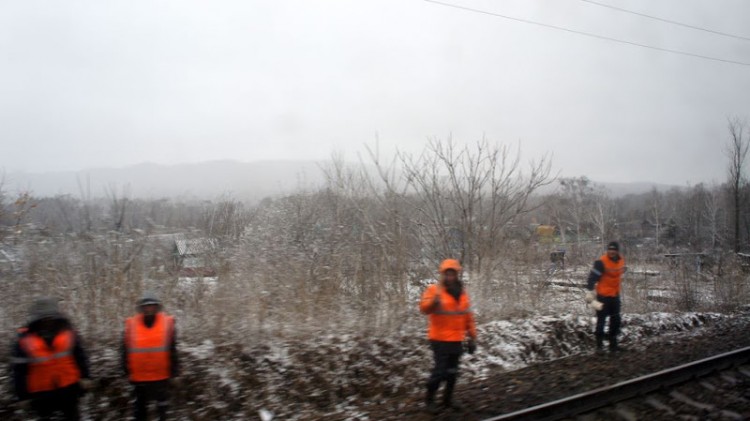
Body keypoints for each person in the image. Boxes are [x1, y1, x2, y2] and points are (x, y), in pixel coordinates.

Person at [10, 297, 93, 421]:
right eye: (44, 318)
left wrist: (85, 377)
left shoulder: (68, 332)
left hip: (69, 388)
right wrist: (22, 396)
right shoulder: (24, 339)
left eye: (49, 317)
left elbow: (80, 356)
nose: (47, 320)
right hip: (41, 394)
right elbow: (19, 370)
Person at [419, 259, 477, 414]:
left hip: (457, 339)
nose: (450, 277)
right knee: (440, 372)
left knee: (452, 372)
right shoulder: (434, 290)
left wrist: (472, 337)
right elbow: (423, 308)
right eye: (447, 274)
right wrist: (433, 302)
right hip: (439, 339)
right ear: (443, 274)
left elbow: (467, 316)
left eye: (453, 274)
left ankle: (447, 399)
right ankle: (429, 400)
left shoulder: (462, 293)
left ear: (456, 275)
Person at [122, 291, 180, 421]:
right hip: (139, 377)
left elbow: (173, 350)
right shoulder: (131, 325)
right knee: (140, 410)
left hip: (161, 376)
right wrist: (126, 371)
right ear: (141, 308)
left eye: (152, 306)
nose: (149, 309)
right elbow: (124, 350)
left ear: (157, 307)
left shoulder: (167, 324)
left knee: (162, 410)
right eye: (146, 306)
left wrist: (175, 373)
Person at [585, 241, 627, 352]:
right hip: (603, 296)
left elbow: (621, 271)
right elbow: (592, 277)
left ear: (617, 251)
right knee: (601, 321)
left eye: (614, 250)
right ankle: (599, 347)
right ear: (607, 250)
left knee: (616, 320)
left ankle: (613, 344)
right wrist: (589, 291)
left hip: (615, 295)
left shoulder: (621, 261)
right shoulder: (601, 262)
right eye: (610, 249)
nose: (611, 252)